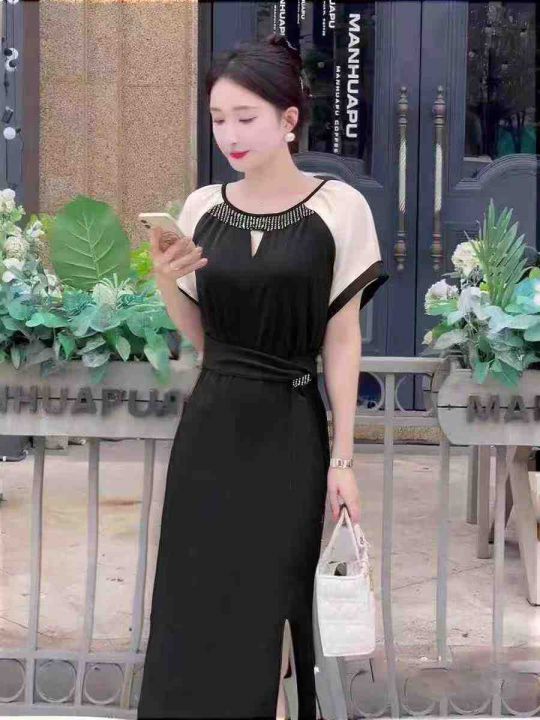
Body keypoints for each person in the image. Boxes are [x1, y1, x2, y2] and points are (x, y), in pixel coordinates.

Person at [137, 33, 389, 720]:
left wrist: (344, 459)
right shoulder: (201, 208)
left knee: (273, 604)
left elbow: (342, 339)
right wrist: (164, 278)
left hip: (290, 430)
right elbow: (203, 339)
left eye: (246, 117)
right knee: (197, 601)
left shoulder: (339, 209)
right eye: (218, 119)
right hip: (211, 427)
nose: (230, 135)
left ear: (289, 119)